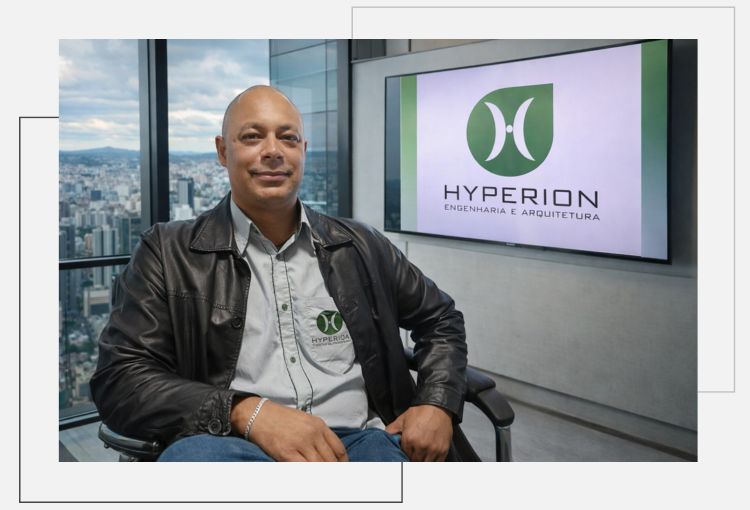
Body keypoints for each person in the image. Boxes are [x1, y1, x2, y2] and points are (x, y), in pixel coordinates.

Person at [90, 85, 467, 462]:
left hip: (360, 444)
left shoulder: (360, 245)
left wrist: (436, 402)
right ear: (223, 151)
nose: (273, 151)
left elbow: (440, 318)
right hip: (232, 445)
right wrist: (245, 411)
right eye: (252, 137)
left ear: (303, 150)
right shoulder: (167, 252)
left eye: (288, 138)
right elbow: (120, 378)